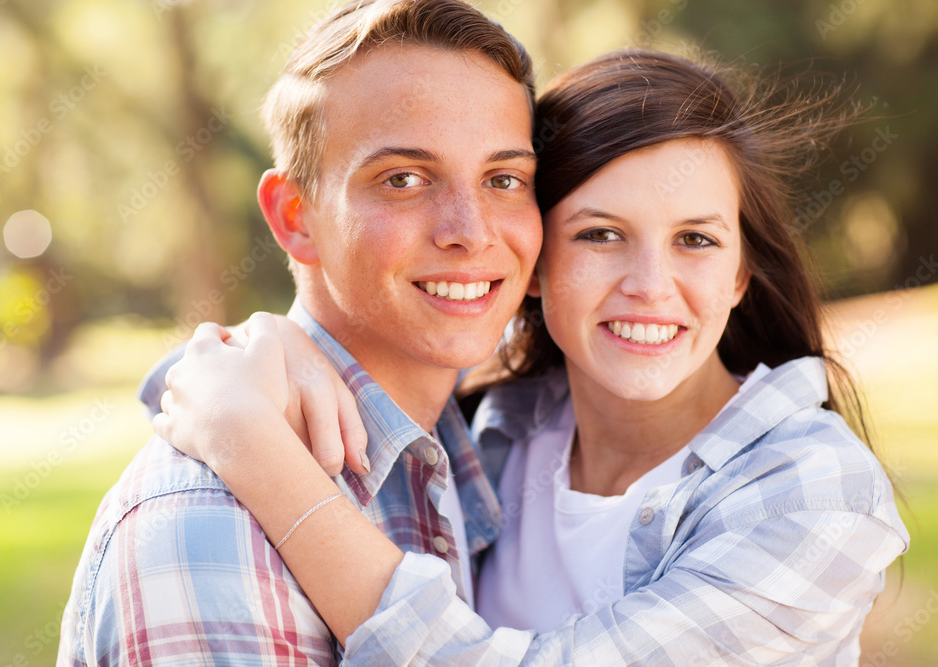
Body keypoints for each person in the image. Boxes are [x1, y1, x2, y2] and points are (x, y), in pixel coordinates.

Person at [154, 49, 910, 664]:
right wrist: (278, 342)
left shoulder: (810, 490)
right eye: (600, 234)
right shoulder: (499, 435)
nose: (650, 287)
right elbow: (363, 325)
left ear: (741, 273)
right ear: (538, 259)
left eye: (697, 239)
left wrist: (248, 443)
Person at [57, 0, 544, 663]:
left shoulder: (474, 446)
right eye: (403, 179)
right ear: (294, 216)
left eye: (505, 179)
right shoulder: (214, 529)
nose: (471, 228)